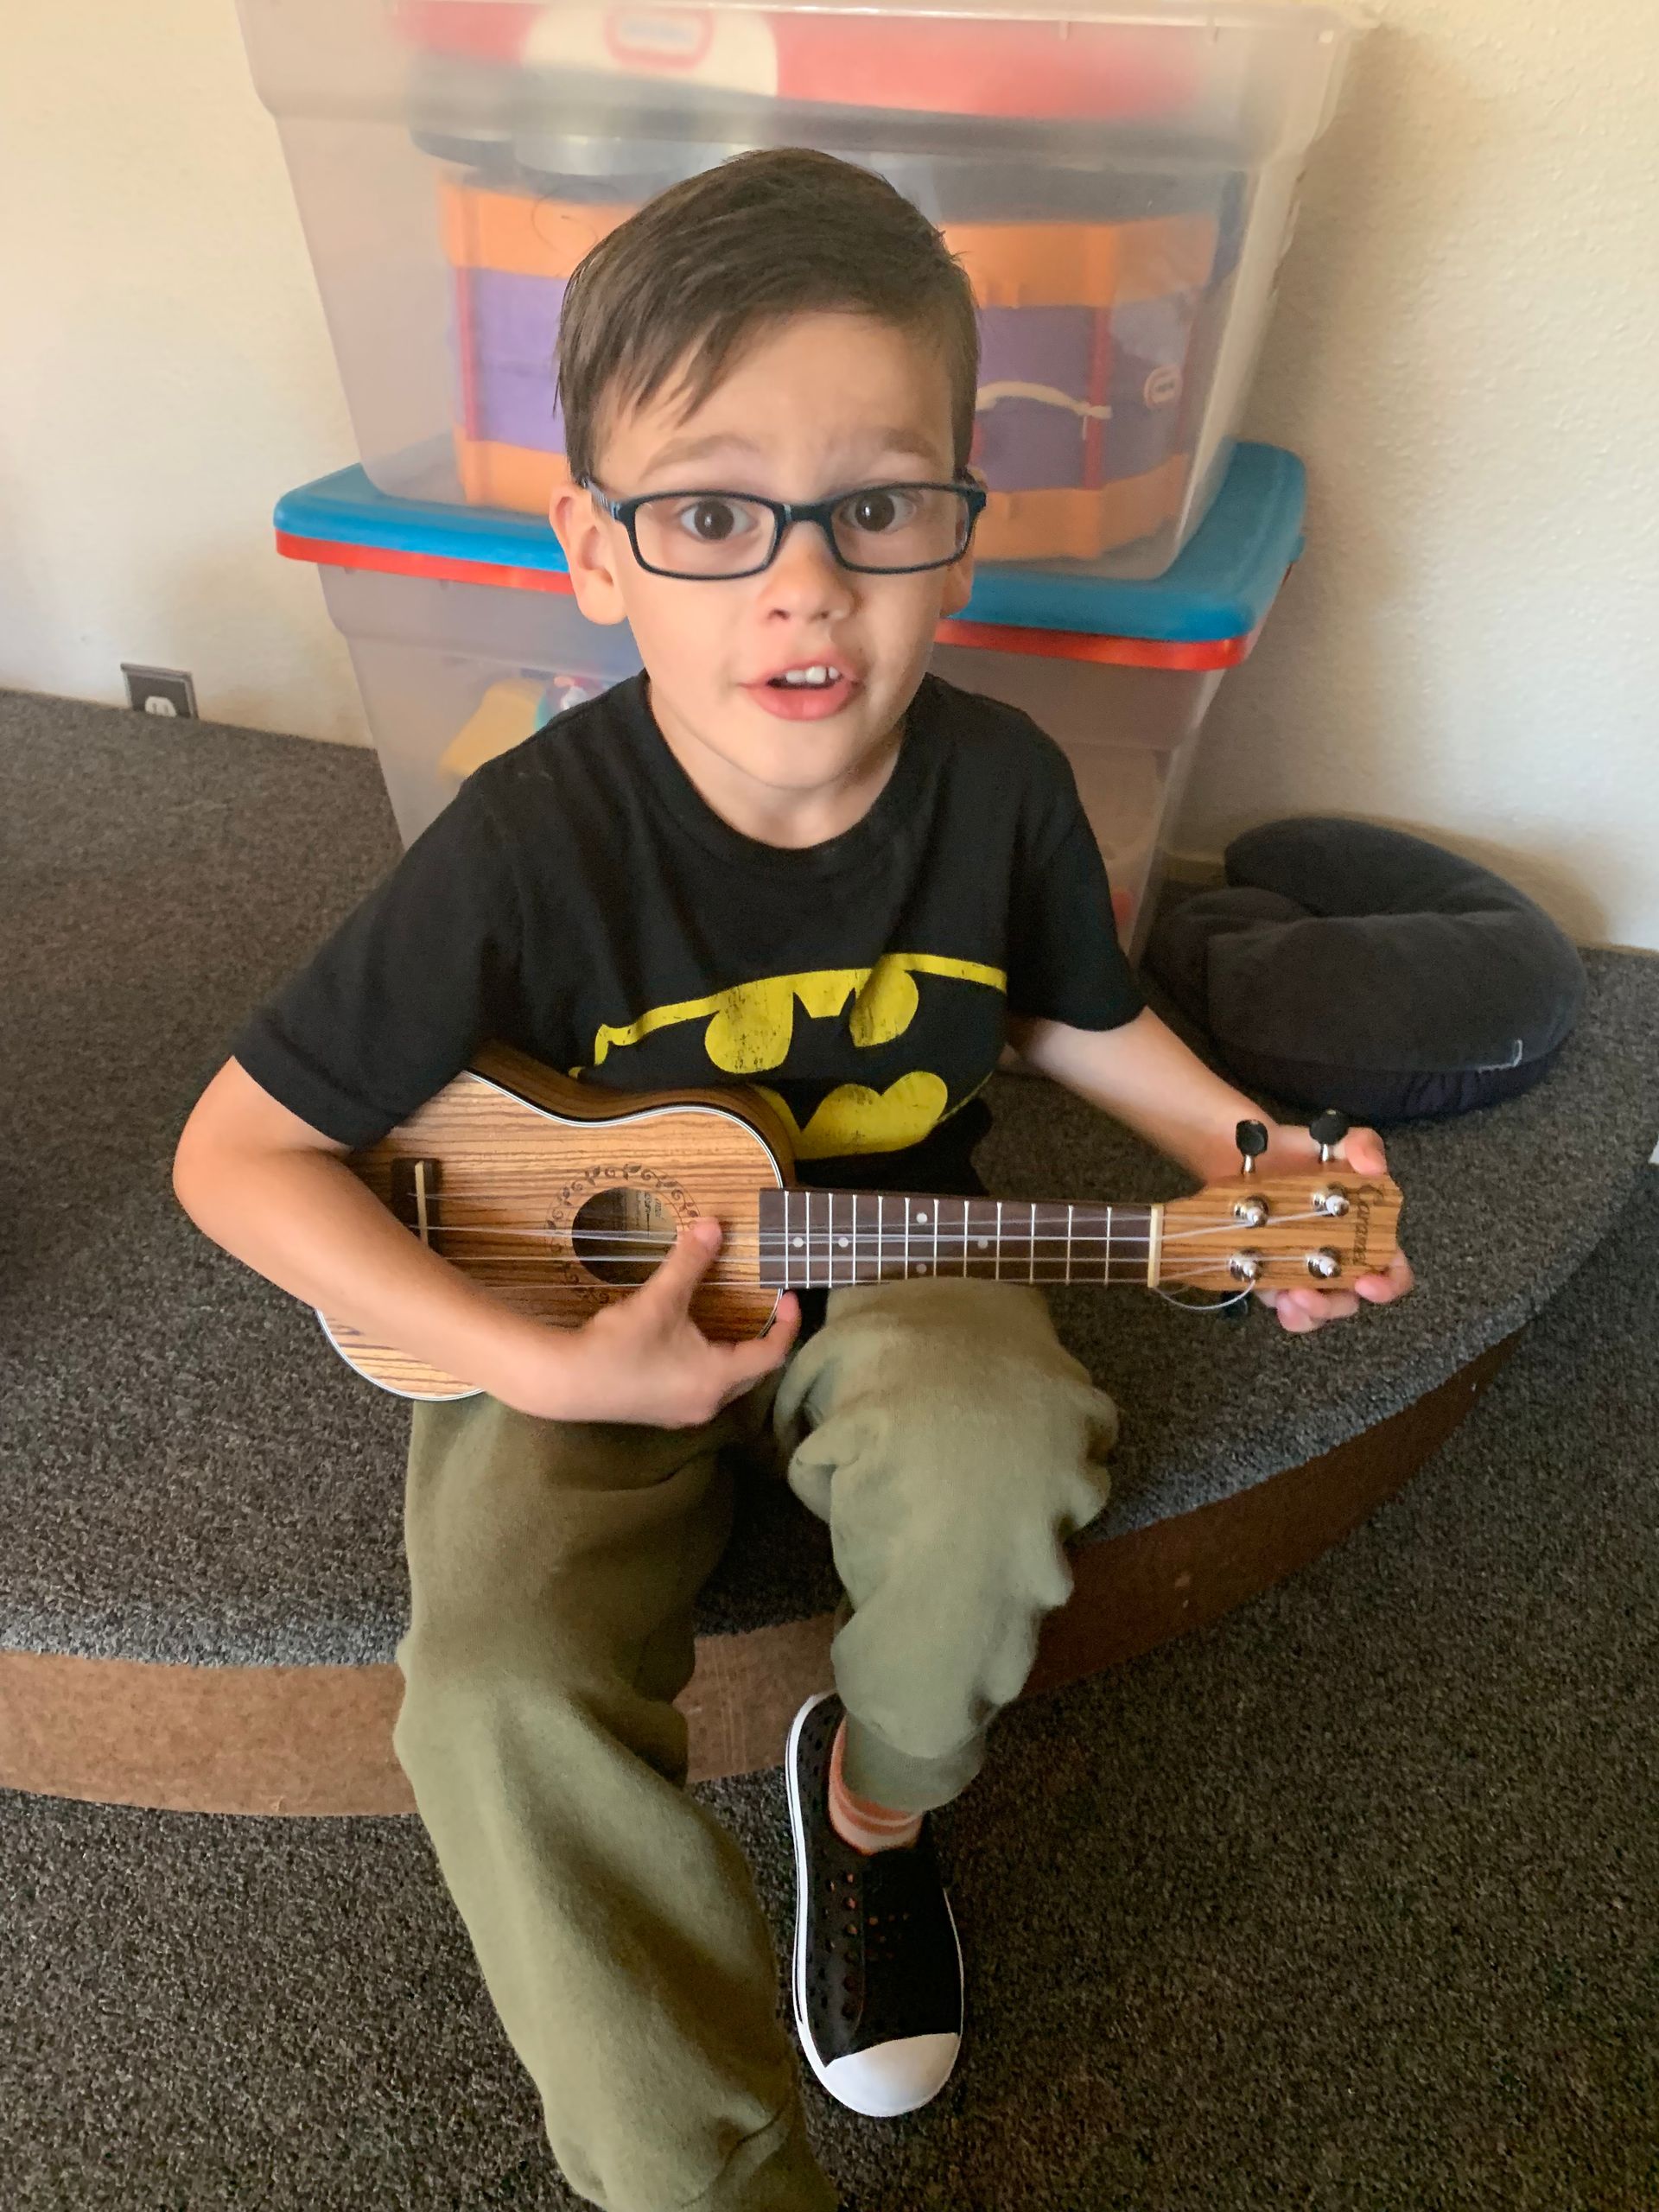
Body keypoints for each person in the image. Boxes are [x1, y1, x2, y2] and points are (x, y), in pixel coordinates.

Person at [174, 147, 1413, 2212]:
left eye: (878, 503)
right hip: (565, 1317)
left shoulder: (1004, 784)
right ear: (596, 548)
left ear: (957, 532)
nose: (804, 577)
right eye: (714, 508)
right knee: (486, 1687)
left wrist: (1245, 1158)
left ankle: (875, 1806)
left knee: (1009, 1435)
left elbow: (1065, 1020)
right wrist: (539, 1367)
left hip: (894, 1248)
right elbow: (243, 1150)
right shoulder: (524, 836)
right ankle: (704, 2173)